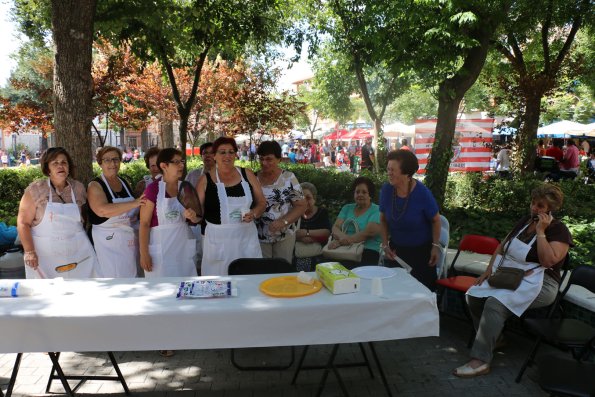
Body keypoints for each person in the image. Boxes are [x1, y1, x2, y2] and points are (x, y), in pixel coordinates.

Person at [454, 184, 572, 378]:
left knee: (495, 303)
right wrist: (488, 271)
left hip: (541, 284)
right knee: (474, 294)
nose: (534, 208)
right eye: (533, 203)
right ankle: (496, 338)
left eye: (540, 206)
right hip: (511, 276)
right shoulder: (525, 221)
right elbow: (502, 247)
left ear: (551, 208)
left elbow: (548, 261)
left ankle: (480, 361)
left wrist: (542, 232)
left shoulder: (559, 230)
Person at [17, 147, 98, 279]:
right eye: (55, 163)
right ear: (47, 168)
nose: (60, 166)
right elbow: (23, 223)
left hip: (79, 253)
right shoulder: (36, 190)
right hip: (45, 257)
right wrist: (29, 251)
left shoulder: (78, 188)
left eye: (64, 162)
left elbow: (82, 219)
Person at [197, 137, 265, 275]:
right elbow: (198, 212)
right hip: (218, 241)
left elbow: (262, 202)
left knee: (249, 281)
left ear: (236, 154)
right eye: (222, 152)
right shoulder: (205, 180)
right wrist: (192, 215)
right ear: (214, 156)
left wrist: (254, 213)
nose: (227, 156)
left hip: (245, 239)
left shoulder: (248, 174)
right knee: (217, 286)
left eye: (231, 152)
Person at [379, 150, 441, 290]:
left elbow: (436, 220)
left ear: (406, 173)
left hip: (421, 253)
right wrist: (385, 245)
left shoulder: (422, 194)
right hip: (396, 252)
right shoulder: (386, 190)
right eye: (388, 169)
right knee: (393, 291)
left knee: (420, 294)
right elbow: (383, 220)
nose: (389, 173)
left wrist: (435, 247)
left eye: (393, 170)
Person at [139, 148, 199, 278]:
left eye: (182, 161)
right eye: (176, 162)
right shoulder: (153, 189)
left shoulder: (186, 187)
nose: (181, 165)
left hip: (183, 248)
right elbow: (144, 223)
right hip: (161, 251)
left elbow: (196, 219)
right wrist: (144, 254)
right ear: (163, 166)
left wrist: (193, 217)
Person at [88, 146, 146, 278]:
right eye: (107, 160)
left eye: (115, 159)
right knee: (114, 279)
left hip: (129, 240)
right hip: (108, 243)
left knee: (133, 277)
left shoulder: (124, 182)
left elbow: (134, 210)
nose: (112, 164)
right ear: (100, 163)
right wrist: (135, 202)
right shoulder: (95, 185)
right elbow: (102, 210)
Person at [255, 141, 307, 263]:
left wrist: (283, 221)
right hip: (259, 235)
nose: (264, 163)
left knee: (281, 271)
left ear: (279, 159)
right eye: (261, 159)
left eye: (269, 159)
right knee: (262, 273)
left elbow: (301, 205)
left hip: (285, 234)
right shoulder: (253, 177)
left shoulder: (288, 178)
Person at [327, 177, 382, 268]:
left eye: (364, 192)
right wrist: (343, 240)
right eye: (357, 192)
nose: (360, 194)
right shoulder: (347, 208)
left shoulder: (377, 210)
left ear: (370, 194)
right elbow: (335, 227)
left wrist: (341, 242)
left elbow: (367, 233)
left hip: (367, 251)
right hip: (342, 250)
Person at [294, 182, 331, 272]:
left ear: (314, 198)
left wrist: (307, 233)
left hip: (318, 254)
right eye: (301, 198)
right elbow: (291, 233)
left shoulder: (322, 212)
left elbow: (327, 232)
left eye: (308, 198)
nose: (305, 201)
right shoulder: (294, 213)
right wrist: (300, 239)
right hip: (298, 253)